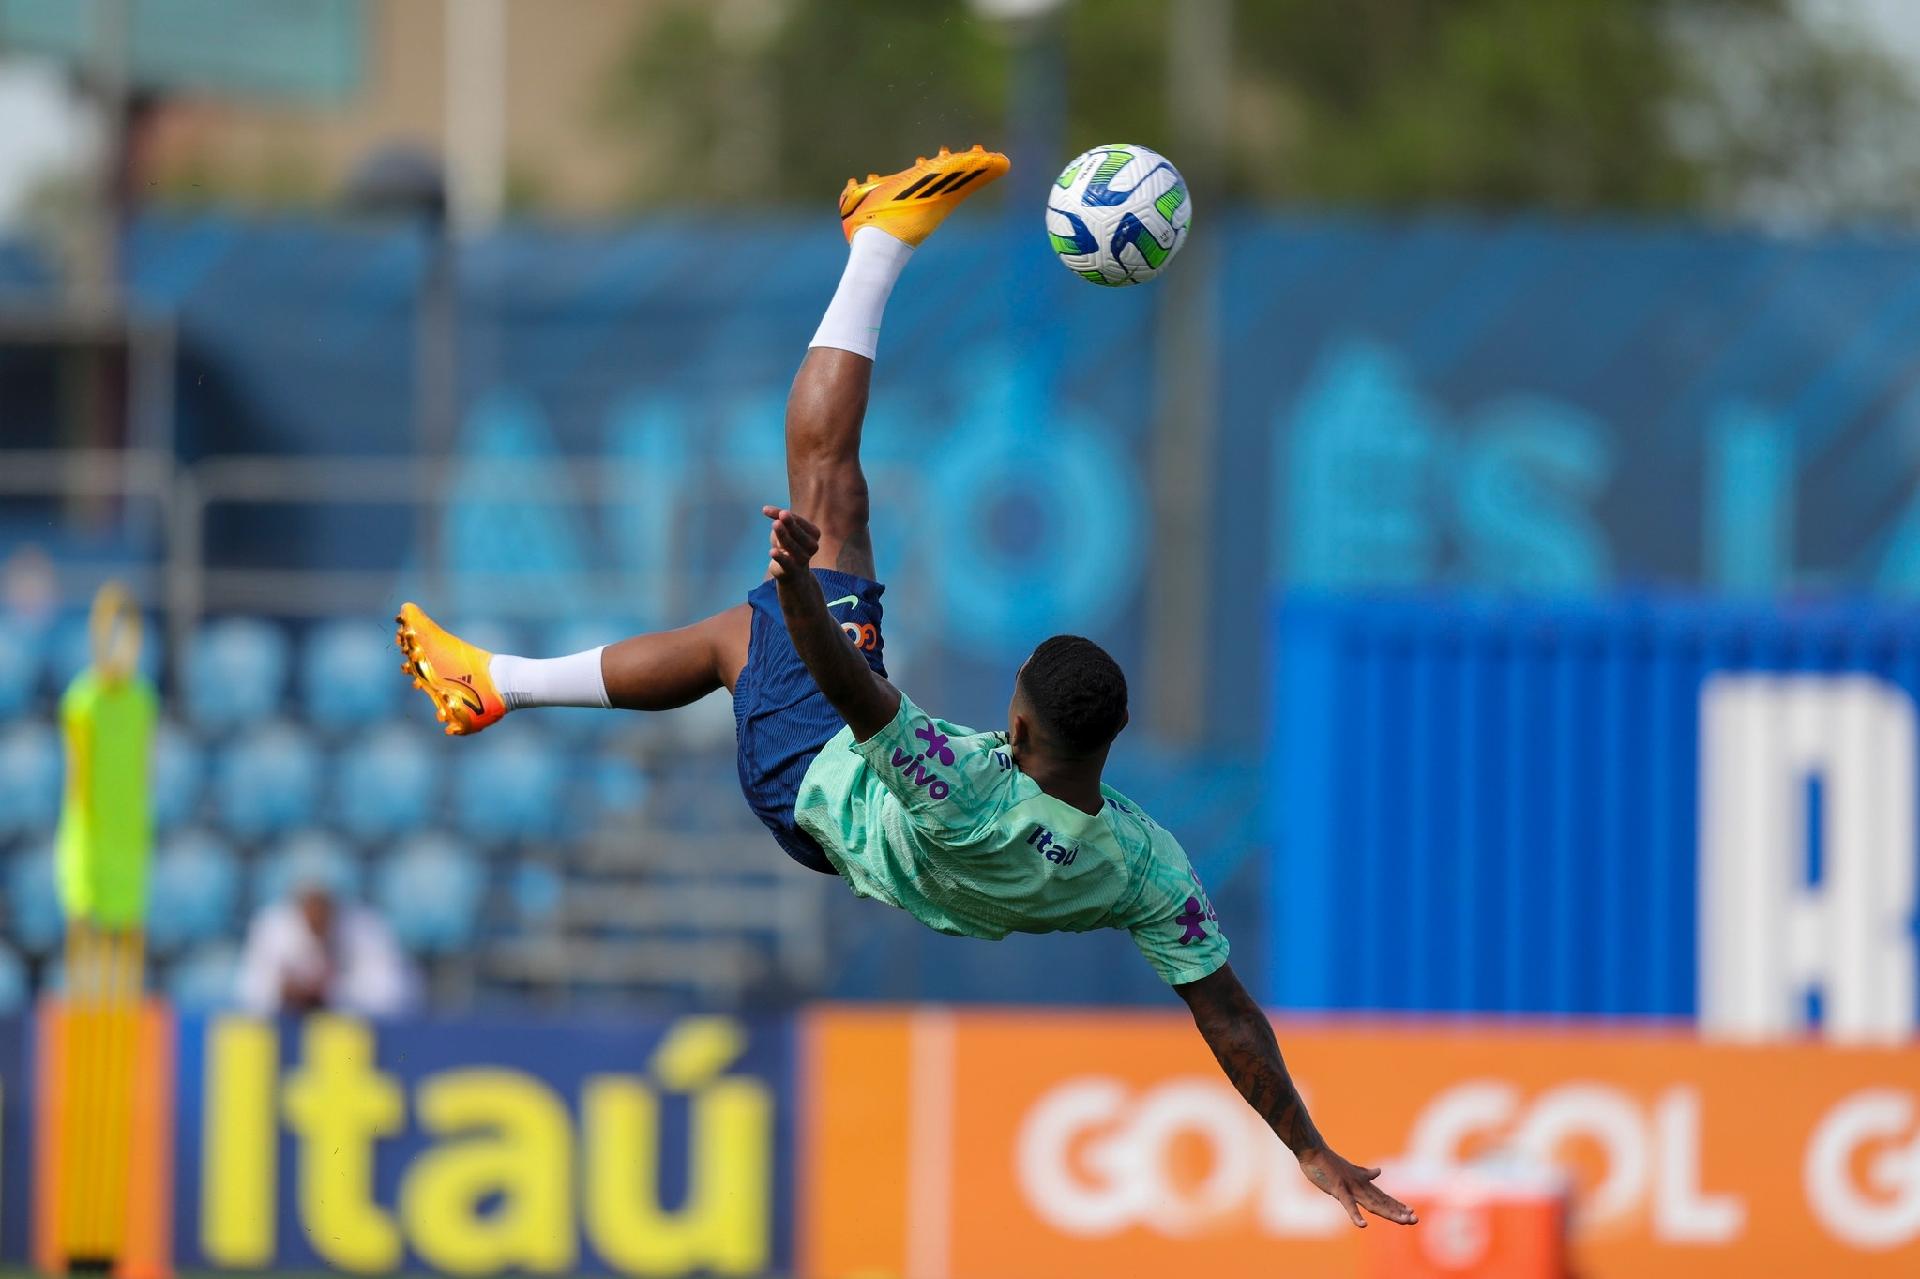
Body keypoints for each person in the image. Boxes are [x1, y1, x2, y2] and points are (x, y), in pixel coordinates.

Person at [395, 145, 1414, 1228]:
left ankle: (880, 237)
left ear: (1017, 725)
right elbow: (1227, 1012)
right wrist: (1308, 1147)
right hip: (842, 827)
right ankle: (491, 683)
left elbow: (852, 693)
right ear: (1102, 745)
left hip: (812, 770)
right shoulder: (1145, 866)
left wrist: (798, 587)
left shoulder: (966, 789)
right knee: (730, 638)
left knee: (827, 495)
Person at [236, 879, 417, 1018]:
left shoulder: (366, 929)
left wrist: (332, 992)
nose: (318, 919)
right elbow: (248, 992)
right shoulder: (272, 927)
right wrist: (283, 992)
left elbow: (391, 994)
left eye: (324, 911)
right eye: (310, 912)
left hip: (350, 1036)